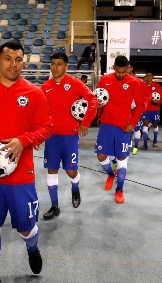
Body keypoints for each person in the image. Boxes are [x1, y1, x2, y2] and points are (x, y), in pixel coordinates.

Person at [0, 41, 52, 281]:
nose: (13, 64)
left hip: (21, 177)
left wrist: (23, 140)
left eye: (18, 59)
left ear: (23, 62)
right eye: (8, 58)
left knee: (26, 228)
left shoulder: (35, 94)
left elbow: (46, 127)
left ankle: (32, 248)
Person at [40, 53, 97, 220]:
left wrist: (85, 122)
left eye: (59, 64)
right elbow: (39, 112)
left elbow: (92, 99)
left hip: (70, 136)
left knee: (71, 171)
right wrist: (37, 136)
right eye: (52, 64)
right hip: (51, 136)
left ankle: (75, 187)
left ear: (66, 67)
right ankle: (55, 206)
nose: (55, 67)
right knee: (52, 171)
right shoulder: (45, 87)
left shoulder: (75, 84)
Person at [94, 56, 145, 204]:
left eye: (124, 72)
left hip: (124, 126)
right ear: (114, 67)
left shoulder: (134, 82)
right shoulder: (105, 80)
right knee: (101, 156)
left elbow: (140, 106)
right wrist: (98, 113)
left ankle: (119, 190)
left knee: (122, 159)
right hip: (107, 124)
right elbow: (98, 100)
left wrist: (133, 123)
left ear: (128, 68)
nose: (121, 75)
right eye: (119, 71)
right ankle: (111, 174)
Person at [129, 65, 150, 156]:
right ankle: (128, 148)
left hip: (136, 111)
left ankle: (136, 147)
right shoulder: (124, 82)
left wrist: (141, 108)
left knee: (137, 129)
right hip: (125, 112)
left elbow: (147, 97)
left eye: (130, 73)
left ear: (133, 73)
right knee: (127, 131)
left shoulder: (141, 83)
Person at [140, 72, 162, 149]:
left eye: (150, 75)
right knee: (145, 124)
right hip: (146, 109)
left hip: (155, 109)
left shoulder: (157, 86)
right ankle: (145, 143)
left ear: (153, 76)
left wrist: (158, 102)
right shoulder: (142, 85)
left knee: (155, 125)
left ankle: (155, 140)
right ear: (145, 77)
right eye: (147, 75)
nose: (149, 77)